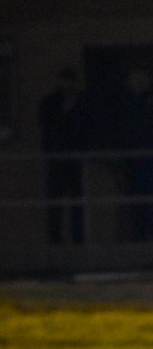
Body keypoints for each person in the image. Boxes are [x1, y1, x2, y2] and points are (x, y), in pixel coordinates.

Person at [38, 67, 89, 244]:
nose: (67, 84)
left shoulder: (82, 101)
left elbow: (88, 127)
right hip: (56, 158)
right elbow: (44, 128)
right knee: (54, 202)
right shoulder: (50, 102)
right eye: (65, 80)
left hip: (74, 159)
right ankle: (55, 241)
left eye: (70, 80)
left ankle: (78, 240)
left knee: (77, 201)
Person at [117, 67, 153, 240]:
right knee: (136, 200)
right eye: (134, 80)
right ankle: (139, 236)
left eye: (141, 79)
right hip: (133, 161)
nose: (138, 83)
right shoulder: (126, 104)